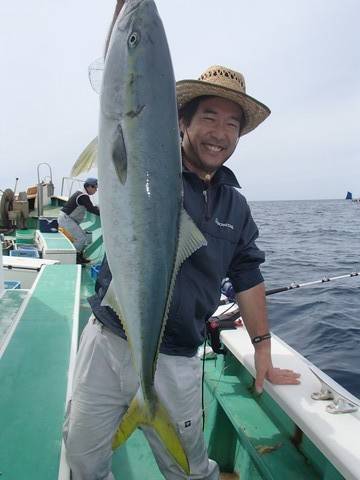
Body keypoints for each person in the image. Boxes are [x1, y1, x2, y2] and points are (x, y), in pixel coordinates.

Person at [63, 66, 301, 479]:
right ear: (181, 121)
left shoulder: (235, 208)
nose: (220, 133)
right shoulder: (146, 171)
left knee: (190, 471)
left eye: (232, 124)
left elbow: (248, 276)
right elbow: (124, 116)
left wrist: (262, 348)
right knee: (82, 458)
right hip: (107, 343)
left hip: (177, 359)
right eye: (208, 116)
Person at [57, 177, 100, 264]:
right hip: (66, 219)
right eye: (95, 187)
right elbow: (91, 209)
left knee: (81, 237)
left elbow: (90, 206)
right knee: (81, 238)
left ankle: (79, 256)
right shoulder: (83, 196)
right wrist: (103, 213)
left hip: (67, 218)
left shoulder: (81, 193)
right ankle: (76, 259)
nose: (96, 190)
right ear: (89, 187)